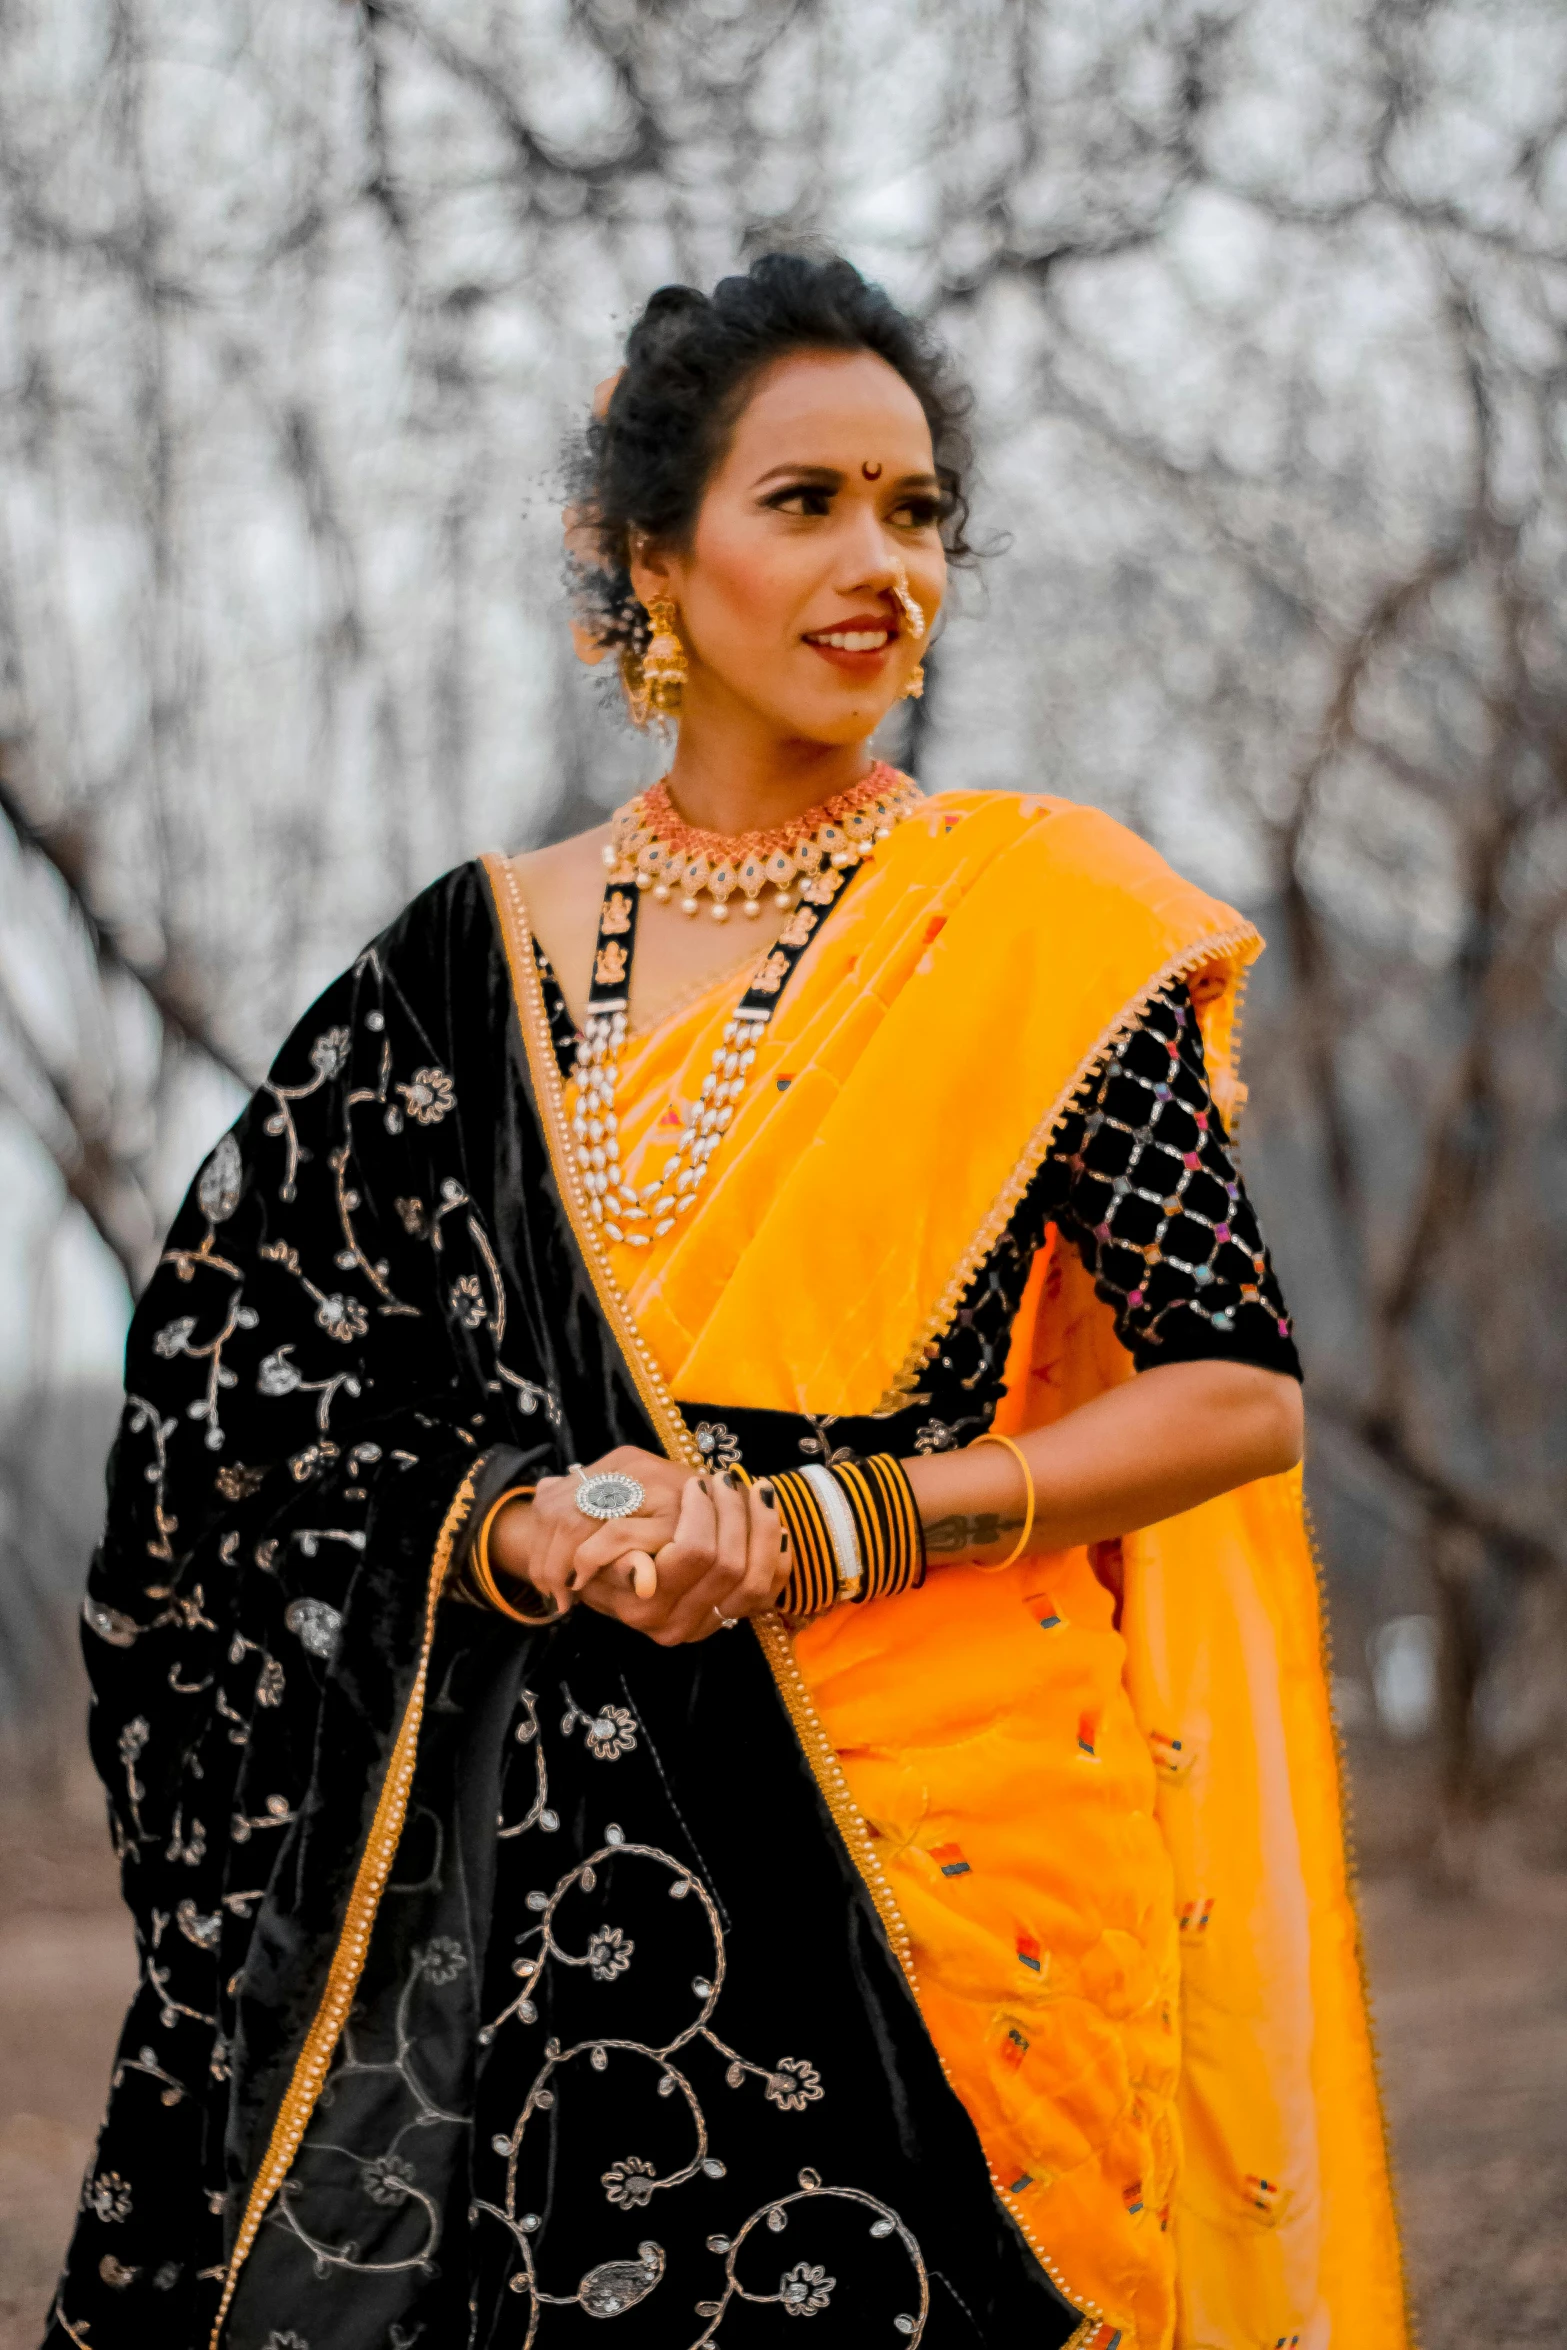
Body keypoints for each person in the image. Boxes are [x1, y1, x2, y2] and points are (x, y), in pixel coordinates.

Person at [50, 254, 1408, 2350]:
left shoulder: (1039, 921)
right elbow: (253, 1384)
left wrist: (819, 1525)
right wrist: (515, 1521)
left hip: (950, 1889)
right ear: (647, 559)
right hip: (533, 1899)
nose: (884, 562)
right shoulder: (461, 960)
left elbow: (1234, 1389)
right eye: (810, 502)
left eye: (920, 506)